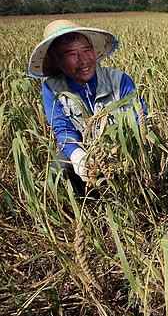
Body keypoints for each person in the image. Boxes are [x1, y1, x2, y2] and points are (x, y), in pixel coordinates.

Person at [28, 20, 145, 190]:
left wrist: (117, 152)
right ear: (55, 60)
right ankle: (87, 200)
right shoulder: (52, 89)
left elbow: (137, 119)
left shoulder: (120, 80)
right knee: (59, 168)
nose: (83, 60)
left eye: (86, 50)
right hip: (84, 150)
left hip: (120, 149)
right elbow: (63, 129)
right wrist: (78, 157)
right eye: (71, 54)